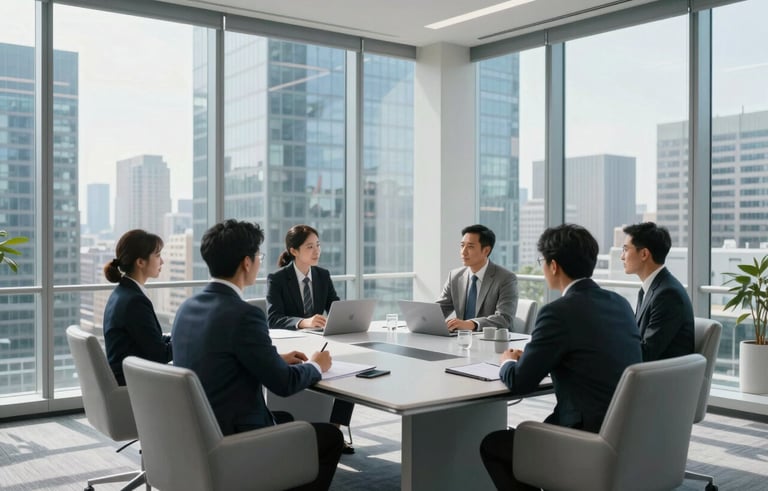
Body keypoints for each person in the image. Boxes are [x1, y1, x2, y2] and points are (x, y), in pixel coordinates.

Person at [171, 219, 342, 491]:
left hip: (198, 433)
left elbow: (220, 358)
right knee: (331, 437)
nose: (260, 262)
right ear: (246, 263)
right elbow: (284, 384)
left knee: (285, 418)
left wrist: (274, 357)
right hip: (236, 440)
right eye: (258, 256)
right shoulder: (245, 314)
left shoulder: (186, 308)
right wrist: (315, 365)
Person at [480, 224, 642, 490]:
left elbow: (520, 383)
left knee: (493, 445)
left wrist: (507, 360)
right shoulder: (619, 303)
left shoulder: (558, 312)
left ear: (553, 266)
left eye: (542, 262)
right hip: (625, 434)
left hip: (584, 437)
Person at [266, 224, 356, 454]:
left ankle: (335, 430)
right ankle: (307, 432)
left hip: (319, 342)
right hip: (292, 344)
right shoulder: (278, 279)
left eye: (318, 246)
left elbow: (333, 307)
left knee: (352, 371)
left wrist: (345, 317)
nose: (316, 251)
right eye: (310, 247)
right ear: (294, 251)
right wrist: (303, 321)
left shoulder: (323, 275)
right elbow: (273, 318)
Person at [103, 229, 172, 386]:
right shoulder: (134, 301)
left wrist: (177, 335)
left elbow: (147, 340)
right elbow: (160, 355)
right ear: (140, 262)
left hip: (127, 376)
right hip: (135, 383)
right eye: (158, 255)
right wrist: (186, 339)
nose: (162, 262)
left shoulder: (122, 292)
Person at [622, 222, 694, 361]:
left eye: (625, 249)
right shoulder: (651, 289)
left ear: (644, 254)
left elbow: (646, 353)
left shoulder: (668, 295)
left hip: (661, 378)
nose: (622, 256)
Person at [436, 224, 518, 332]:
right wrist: (422, 318)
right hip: (461, 340)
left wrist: (470, 324)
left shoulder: (506, 278)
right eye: (462, 245)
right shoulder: (455, 276)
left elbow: (504, 318)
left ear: (486, 251)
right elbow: (440, 309)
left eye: (470, 247)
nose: (463, 252)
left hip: (493, 342)